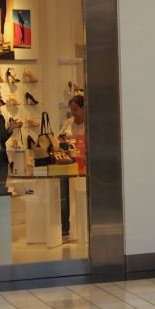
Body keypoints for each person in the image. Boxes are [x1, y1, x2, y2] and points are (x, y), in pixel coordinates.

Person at [58, 94, 87, 238]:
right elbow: (58, 140)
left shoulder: (88, 124)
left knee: (82, 195)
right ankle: (65, 227)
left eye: (75, 109)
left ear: (83, 108)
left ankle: (83, 224)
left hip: (84, 164)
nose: (73, 113)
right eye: (71, 110)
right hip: (68, 163)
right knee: (64, 195)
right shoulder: (68, 123)